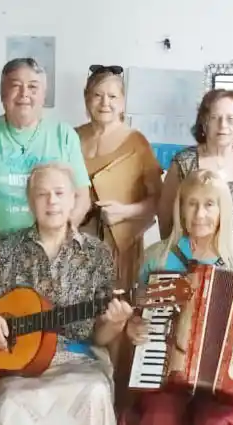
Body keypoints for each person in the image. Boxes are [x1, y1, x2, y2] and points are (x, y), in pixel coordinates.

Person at [0, 162, 132, 425]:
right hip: (16, 367)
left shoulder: (96, 254)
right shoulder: (7, 248)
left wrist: (116, 323)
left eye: (59, 193)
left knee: (95, 391)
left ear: (73, 200)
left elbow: (100, 336)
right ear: (31, 202)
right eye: (42, 194)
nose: (51, 201)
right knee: (10, 400)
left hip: (78, 361)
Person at [129, 169, 233, 424]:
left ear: (223, 211)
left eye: (209, 205)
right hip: (163, 373)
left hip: (224, 384)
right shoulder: (158, 257)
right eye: (192, 204)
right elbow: (137, 317)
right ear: (180, 208)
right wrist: (134, 328)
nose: (200, 214)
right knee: (158, 417)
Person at [73, 64, 163, 408]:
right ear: (85, 100)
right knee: (78, 321)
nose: (104, 102)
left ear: (123, 101)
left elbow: (158, 202)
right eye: (97, 95)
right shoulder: (71, 137)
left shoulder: (136, 142)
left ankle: (118, 408)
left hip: (118, 248)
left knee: (117, 322)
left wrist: (123, 212)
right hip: (77, 250)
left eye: (112, 96)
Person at [0, 58, 92, 273]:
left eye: (32, 87)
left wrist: (55, 242)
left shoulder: (64, 135)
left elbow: (82, 198)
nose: (24, 94)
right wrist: (4, 247)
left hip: (54, 258)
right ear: (3, 92)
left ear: (43, 94)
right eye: (15, 86)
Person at [159, 89, 233, 248]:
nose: (223, 125)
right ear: (204, 123)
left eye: (231, 119)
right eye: (215, 118)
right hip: (189, 261)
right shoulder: (184, 162)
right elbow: (165, 220)